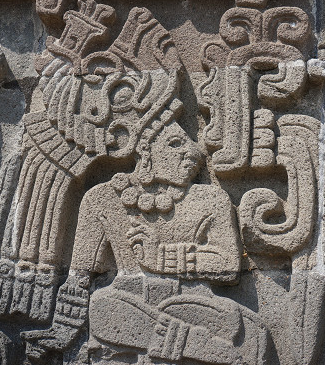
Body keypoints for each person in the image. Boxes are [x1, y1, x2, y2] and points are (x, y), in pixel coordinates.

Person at [22, 98, 271, 364]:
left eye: (189, 145)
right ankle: (205, 348)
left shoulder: (210, 199)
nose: (191, 153)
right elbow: (78, 280)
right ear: (145, 149)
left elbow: (228, 263)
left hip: (190, 304)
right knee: (102, 306)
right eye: (175, 144)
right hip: (128, 304)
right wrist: (62, 331)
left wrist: (160, 257)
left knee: (229, 317)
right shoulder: (102, 199)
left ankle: (180, 342)